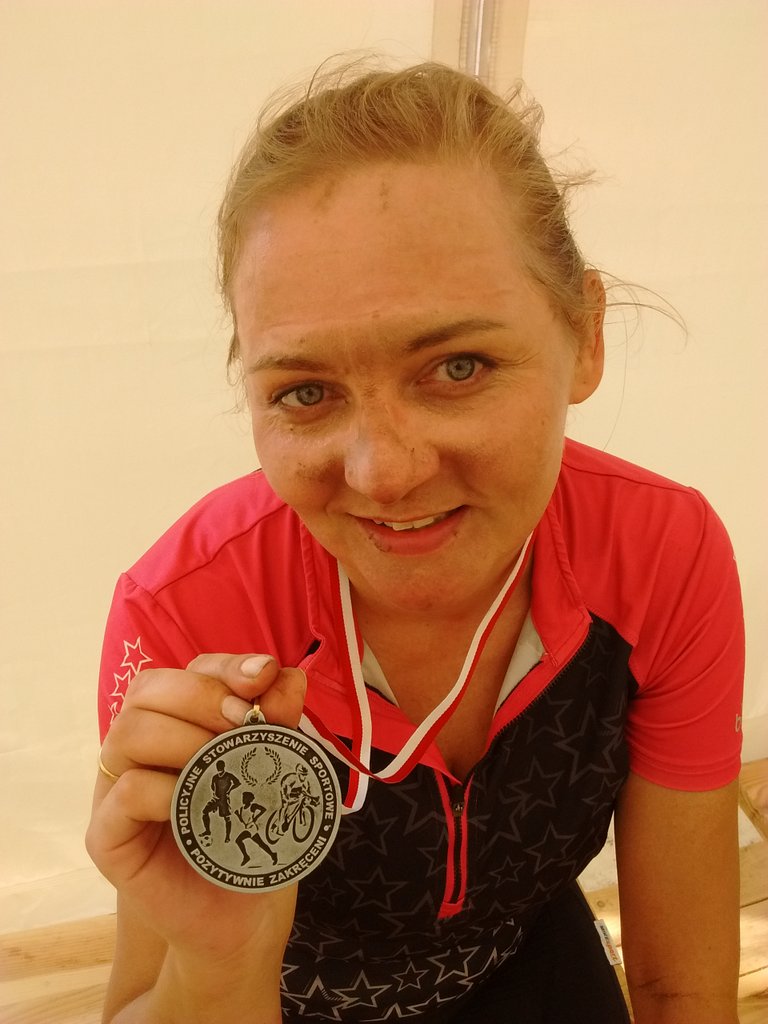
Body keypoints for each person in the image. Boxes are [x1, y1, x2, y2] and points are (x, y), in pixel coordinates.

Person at [86, 60, 744, 1024]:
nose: (384, 473)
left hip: (521, 958)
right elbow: (140, 1004)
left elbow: (683, 989)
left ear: (587, 335)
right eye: (306, 392)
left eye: (458, 366)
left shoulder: (661, 552)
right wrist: (219, 966)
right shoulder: (187, 612)